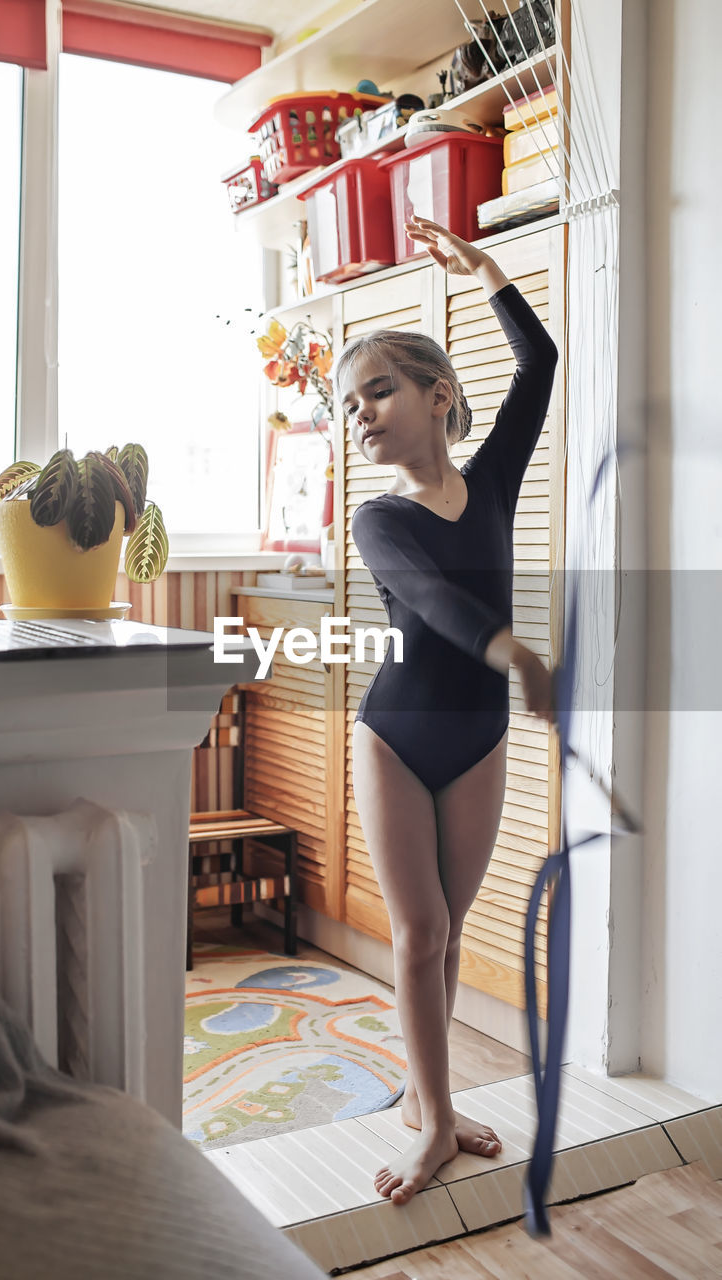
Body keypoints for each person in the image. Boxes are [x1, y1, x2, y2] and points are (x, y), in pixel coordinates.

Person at [333, 216, 559, 1207]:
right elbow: (430, 598)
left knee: (447, 932)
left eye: (375, 390)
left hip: (476, 740)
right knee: (418, 932)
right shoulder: (377, 516)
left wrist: (487, 269)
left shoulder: (496, 480)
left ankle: (433, 1100)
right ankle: (430, 1121)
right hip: (394, 736)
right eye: (349, 405)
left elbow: (538, 360)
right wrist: (510, 647)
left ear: (436, 395)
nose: (360, 415)